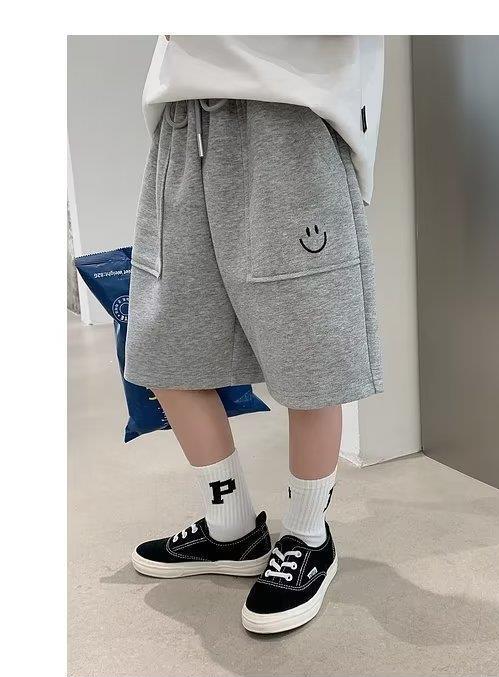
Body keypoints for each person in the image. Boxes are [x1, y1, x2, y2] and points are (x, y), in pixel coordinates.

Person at [124, 36, 384, 634]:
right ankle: (231, 530)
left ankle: (309, 537)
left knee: (310, 358)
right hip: (182, 130)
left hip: (285, 126)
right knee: (167, 351)